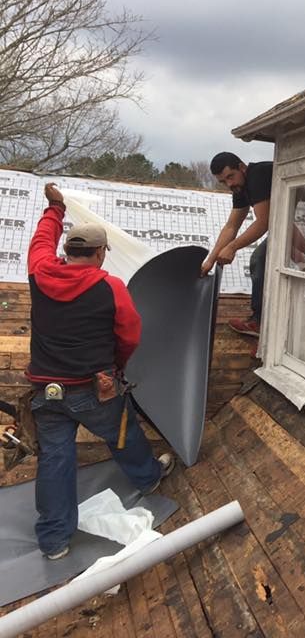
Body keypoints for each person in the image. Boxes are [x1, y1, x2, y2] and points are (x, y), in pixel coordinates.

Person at [27, 183, 173, 560]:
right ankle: (148, 477)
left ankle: (54, 540)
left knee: (55, 460)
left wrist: (54, 209)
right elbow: (129, 334)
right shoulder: (111, 286)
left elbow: (41, 241)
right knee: (122, 433)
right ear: (98, 254)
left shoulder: (41, 272)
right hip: (95, 388)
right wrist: (117, 367)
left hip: (47, 390)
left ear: (67, 251)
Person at [201, 152, 271, 337]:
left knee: (259, 259)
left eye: (230, 177)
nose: (230, 184)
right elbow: (231, 226)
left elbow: (264, 222)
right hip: (290, 220)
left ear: (242, 167)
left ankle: (259, 323)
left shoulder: (257, 175)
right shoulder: (240, 189)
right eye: (224, 182)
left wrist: (232, 247)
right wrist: (211, 259)